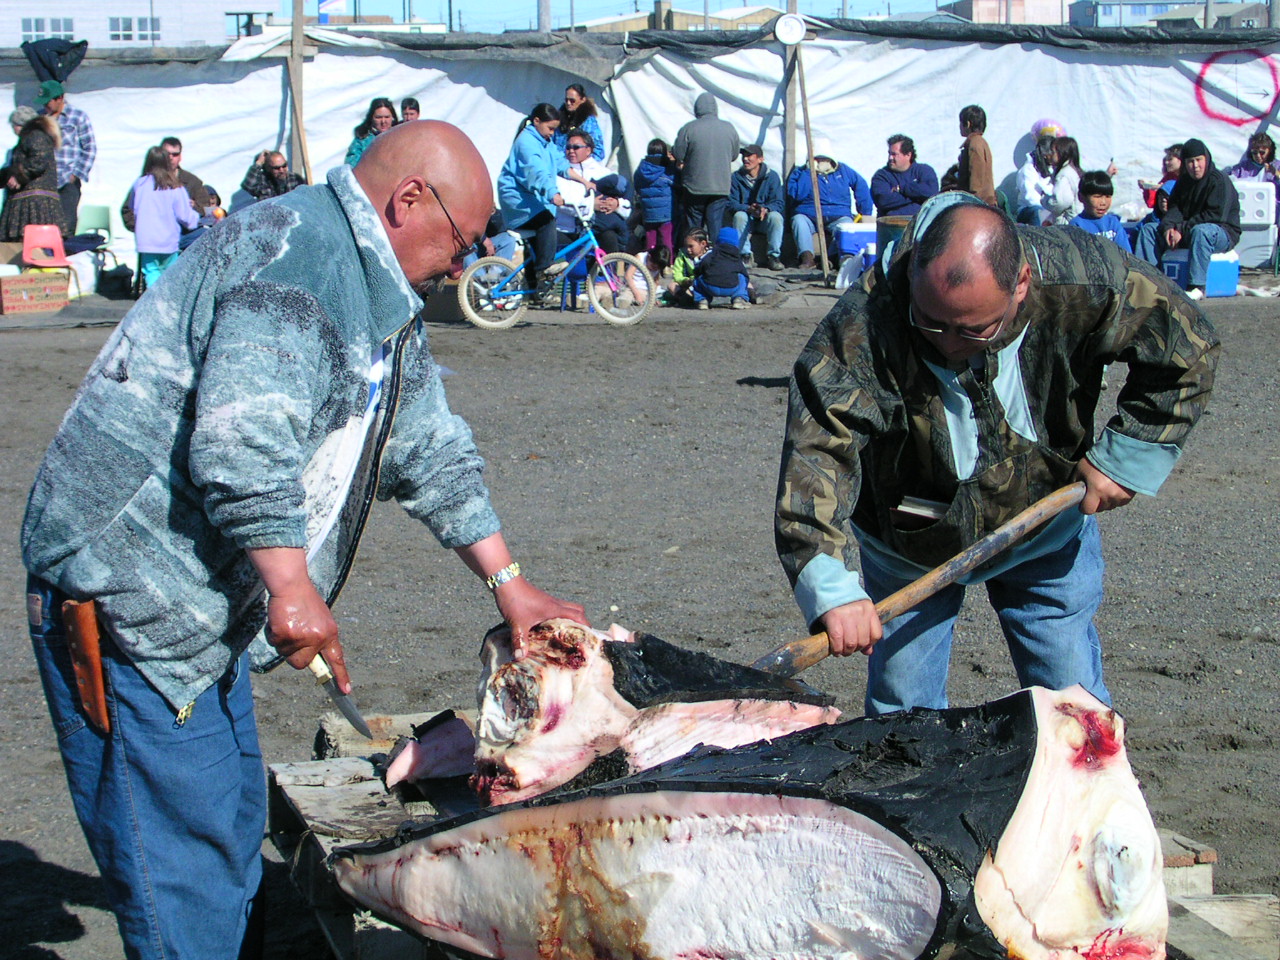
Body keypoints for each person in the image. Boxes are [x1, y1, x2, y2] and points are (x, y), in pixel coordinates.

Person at [22, 120, 587, 960]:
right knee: (185, 868)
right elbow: (242, 443)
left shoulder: (380, 288)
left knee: (230, 820)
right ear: (407, 201)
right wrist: (290, 586)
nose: (463, 264)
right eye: (463, 242)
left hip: (208, 600)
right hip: (131, 595)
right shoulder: (299, 261)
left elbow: (425, 444)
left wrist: (511, 583)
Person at [774, 194, 1219, 717]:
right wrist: (831, 589)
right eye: (931, 322)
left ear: (1021, 284)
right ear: (914, 271)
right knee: (903, 712)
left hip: (1047, 522)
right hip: (910, 534)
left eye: (973, 330)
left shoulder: (1084, 276)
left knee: (1072, 701)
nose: (948, 344)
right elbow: (817, 450)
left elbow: (1186, 348)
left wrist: (1126, 457)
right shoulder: (863, 324)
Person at [1134, 138, 1241, 300]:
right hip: (1187, 230)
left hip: (1221, 233)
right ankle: (1147, 281)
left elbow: (1215, 216)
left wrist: (1181, 230)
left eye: (1199, 160)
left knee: (1202, 231)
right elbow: (1174, 208)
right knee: (1149, 230)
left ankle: (1197, 286)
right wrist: (1169, 227)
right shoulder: (1183, 181)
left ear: (1206, 159)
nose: (1195, 166)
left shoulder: (1219, 180)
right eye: (1190, 161)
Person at [497, 103, 572, 299]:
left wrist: (583, 180)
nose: (552, 133)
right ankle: (545, 268)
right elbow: (535, 171)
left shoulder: (545, 141)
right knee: (546, 221)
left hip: (529, 198)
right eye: (550, 128)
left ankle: (534, 291)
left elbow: (560, 162)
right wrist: (552, 193)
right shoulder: (526, 142)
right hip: (516, 199)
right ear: (536, 121)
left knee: (536, 243)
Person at [786, 137, 873, 269]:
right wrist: (809, 172)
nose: (821, 162)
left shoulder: (843, 170)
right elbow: (797, 194)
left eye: (824, 159)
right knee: (798, 221)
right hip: (808, 214)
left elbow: (860, 185)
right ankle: (807, 257)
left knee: (846, 226)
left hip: (838, 214)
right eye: (818, 159)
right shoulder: (800, 172)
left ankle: (830, 259)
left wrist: (865, 211)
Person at [128, 145, 201, 286]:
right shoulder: (175, 186)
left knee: (151, 272)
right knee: (170, 274)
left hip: (147, 240)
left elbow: (132, 206)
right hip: (169, 240)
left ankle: (154, 297)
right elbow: (185, 215)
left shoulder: (139, 184)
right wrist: (195, 220)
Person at [672, 92, 740, 239]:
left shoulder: (689, 128)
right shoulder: (729, 128)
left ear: (697, 109)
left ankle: (694, 252)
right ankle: (715, 251)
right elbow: (734, 156)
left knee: (694, 229)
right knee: (715, 226)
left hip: (694, 186)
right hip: (720, 187)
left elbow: (678, 154)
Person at [0, 110, 69, 240]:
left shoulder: (35, 136)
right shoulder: (29, 139)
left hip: (36, 203)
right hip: (29, 201)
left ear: (19, 125)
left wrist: (18, 176)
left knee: (36, 240)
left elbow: (39, 160)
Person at [37, 79, 95, 232]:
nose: (45, 106)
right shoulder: (40, 118)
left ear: (60, 98)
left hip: (67, 181)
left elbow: (89, 147)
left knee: (66, 227)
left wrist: (75, 174)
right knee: (44, 226)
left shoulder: (77, 117)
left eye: (47, 102)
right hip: (44, 181)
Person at [729, 144, 785, 270]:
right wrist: (748, 209)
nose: (745, 159)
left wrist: (765, 209)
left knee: (776, 217)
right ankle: (745, 255)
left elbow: (778, 202)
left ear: (760, 159)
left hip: (764, 219)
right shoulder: (736, 177)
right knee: (739, 216)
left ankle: (774, 256)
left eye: (749, 156)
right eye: (744, 156)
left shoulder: (772, 177)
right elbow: (731, 203)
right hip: (747, 219)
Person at [870, 134, 939, 220]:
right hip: (892, 225)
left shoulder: (924, 171)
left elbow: (932, 193)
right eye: (889, 153)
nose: (890, 158)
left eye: (894, 154)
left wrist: (901, 189)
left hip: (922, 223)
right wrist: (919, 198)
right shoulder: (881, 176)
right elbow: (883, 201)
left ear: (908, 155)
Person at [634, 138, 676, 264]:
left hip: (648, 213)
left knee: (650, 241)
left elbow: (637, 186)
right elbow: (676, 183)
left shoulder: (641, 169)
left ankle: (649, 265)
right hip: (665, 213)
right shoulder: (667, 168)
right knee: (666, 240)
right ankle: (667, 265)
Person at [1069, 171, 1132, 254]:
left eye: (1108, 196)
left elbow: (1126, 254)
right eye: (1097, 196)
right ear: (1081, 197)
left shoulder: (1113, 223)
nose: (1103, 202)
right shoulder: (1076, 225)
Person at [691, 226, 751, 310]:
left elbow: (703, 264)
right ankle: (739, 299)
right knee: (742, 277)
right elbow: (743, 272)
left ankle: (702, 300)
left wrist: (697, 272)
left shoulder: (712, 254)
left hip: (710, 287)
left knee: (698, 278)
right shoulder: (736, 257)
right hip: (731, 287)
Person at [954, 104, 996, 206]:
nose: (959, 126)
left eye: (961, 122)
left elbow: (976, 181)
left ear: (968, 124)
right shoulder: (981, 142)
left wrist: (972, 203)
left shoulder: (974, 144)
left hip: (978, 204)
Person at [552, 84, 605, 162]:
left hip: (577, 165)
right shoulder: (560, 118)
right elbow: (552, 141)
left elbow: (598, 151)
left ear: (582, 100)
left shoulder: (588, 121)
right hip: (557, 163)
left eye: (572, 100)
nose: (568, 103)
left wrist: (581, 164)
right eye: (566, 100)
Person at [1014, 133, 1057, 225]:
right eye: (1054, 152)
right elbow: (1030, 198)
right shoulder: (1028, 170)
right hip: (1029, 209)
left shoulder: (1053, 168)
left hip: (1048, 207)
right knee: (1039, 212)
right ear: (1046, 155)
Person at [1043, 135, 1083, 226]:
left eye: (1053, 152)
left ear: (1062, 153)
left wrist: (1045, 200)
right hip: (1077, 220)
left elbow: (1060, 202)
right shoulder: (1075, 171)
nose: (1050, 155)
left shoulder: (1064, 174)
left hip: (1068, 223)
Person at [346, 97, 397, 166]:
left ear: (392, 118)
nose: (383, 121)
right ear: (371, 118)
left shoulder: (400, 137)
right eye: (378, 117)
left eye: (387, 117)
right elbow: (352, 165)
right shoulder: (362, 140)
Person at [241, 149, 308, 201]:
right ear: (268, 168)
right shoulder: (262, 181)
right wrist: (258, 163)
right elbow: (248, 186)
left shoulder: (295, 179)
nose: (281, 170)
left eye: (284, 166)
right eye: (277, 168)